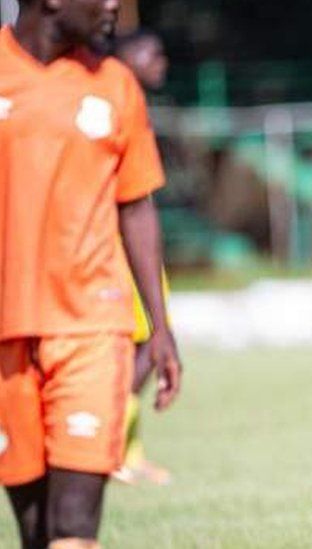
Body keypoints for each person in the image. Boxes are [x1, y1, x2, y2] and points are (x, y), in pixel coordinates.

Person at [0, 0, 183, 547]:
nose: (112, 5)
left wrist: (160, 325)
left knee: (75, 526)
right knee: (36, 530)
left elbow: (137, 205)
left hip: (91, 328)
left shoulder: (116, 85)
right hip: (8, 335)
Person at [111, 27, 172, 487]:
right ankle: (110, 447)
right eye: (152, 54)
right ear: (126, 58)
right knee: (142, 348)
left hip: (138, 248)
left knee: (148, 345)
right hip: (118, 252)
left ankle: (128, 451)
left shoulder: (130, 101)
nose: (161, 62)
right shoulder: (110, 96)